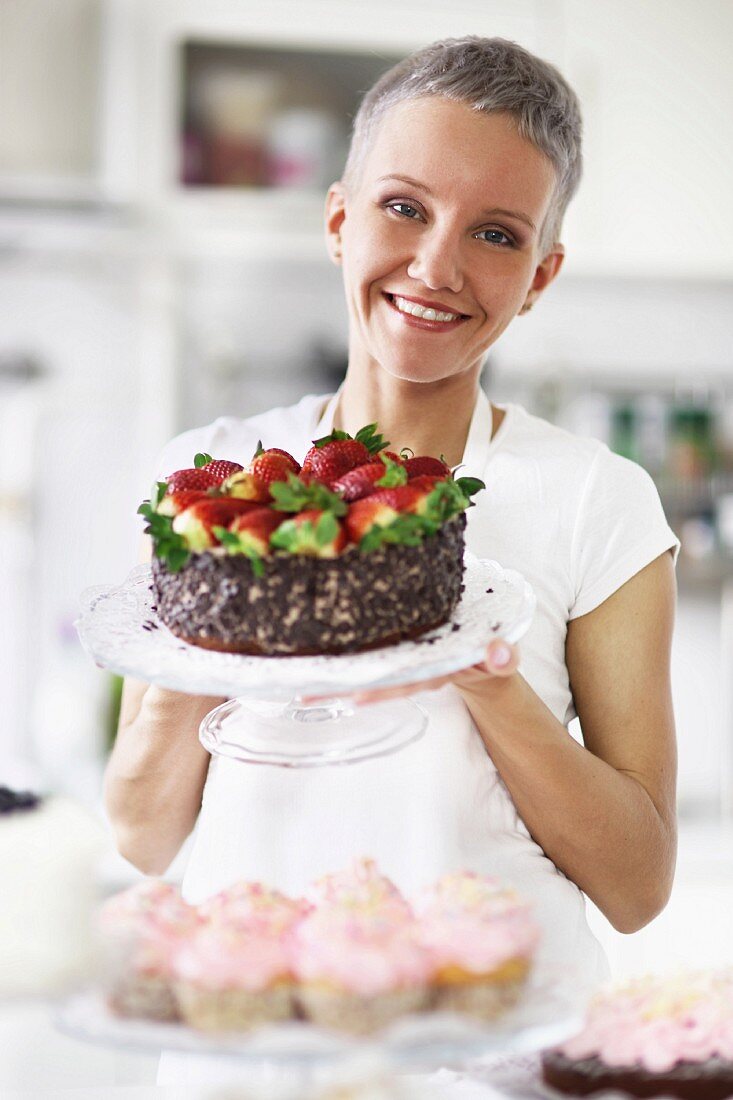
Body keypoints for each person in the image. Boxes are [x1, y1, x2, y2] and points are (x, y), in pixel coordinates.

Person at [105, 35, 678, 1085]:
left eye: (495, 234)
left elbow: (639, 884)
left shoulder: (596, 499)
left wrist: (488, 680)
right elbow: (143, 832)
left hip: (488, 1059)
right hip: (248, 1058)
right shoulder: (212, 482)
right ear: (337, 218)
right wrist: (220, 622)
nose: (435, 265)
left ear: (540, 276)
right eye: (404, 207)